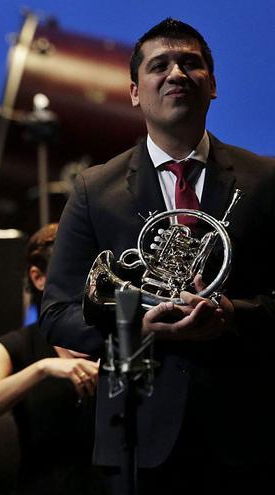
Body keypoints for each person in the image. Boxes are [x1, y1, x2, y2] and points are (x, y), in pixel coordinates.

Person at [40, 18, 275, 494]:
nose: (176, 74)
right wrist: (136, 327)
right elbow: (57, 312)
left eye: (191, 63)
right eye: (159, 65)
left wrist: (233, 316)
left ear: (213, 85)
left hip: (249, 430)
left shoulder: (266, 181)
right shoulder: (93, 190)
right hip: (137, 433)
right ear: (133, 91)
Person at [0, 224, 106, 495]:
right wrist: (41, 369)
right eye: (72, 273)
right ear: (38, 278)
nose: (86, 283)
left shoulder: (116, 335)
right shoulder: (15, 346)